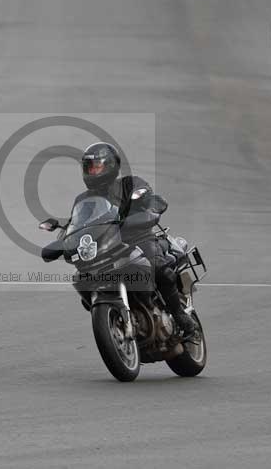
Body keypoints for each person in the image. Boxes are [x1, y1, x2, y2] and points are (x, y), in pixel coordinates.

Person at [78, 142, 198, 336]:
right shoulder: (84, 200)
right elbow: (78, 224)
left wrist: (151, 208)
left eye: (97, 166)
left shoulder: (130, 184)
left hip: (139, 238)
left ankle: (179, 315)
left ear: (110, 166)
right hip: (108, 248)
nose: (92, 172)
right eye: (89, 167)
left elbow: (151, 200)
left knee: (157, 267)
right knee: (85, 277)